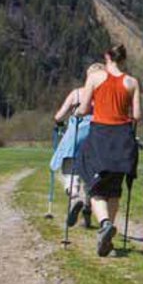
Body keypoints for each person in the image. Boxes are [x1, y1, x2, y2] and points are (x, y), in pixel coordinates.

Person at [75, 45, 142, 257]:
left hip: (101, 135)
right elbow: (137, 115)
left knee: (94, 186)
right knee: (114, 188)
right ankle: (108, 237)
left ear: (107, 57)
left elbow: (85, 108)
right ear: (124, 59)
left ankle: (104, 224)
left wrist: (76, 112)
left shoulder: (95, 77)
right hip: (123, 137)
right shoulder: (132, 82)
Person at [50, 63, 105, 229]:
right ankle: (87, 213)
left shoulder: (77, 94)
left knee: (70, 172)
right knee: (90, 177)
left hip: (74, 138)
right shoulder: (104, 97)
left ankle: (75, 197)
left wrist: (59, 122)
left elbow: (59, 116)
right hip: (96, 139)